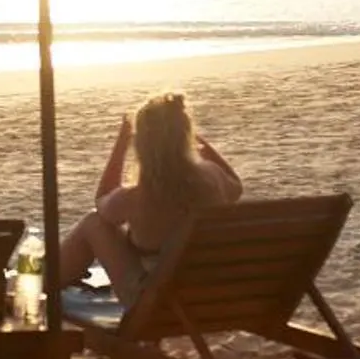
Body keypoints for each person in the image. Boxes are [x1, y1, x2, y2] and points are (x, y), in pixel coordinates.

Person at [57, 91, 241, 296]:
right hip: (209, 292)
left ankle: (48, 284)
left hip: (158, 301)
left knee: (94, 222)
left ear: (141, 144)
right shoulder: (212, 177)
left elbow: (102, 201)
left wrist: (122, 142)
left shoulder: (136, 198)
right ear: (185, 134)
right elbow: (236, 187)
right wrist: (196, 140)